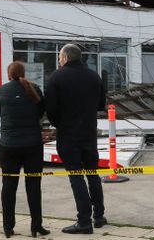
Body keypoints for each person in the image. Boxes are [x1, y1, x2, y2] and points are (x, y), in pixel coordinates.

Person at [45, 44, 107, 234]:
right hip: (89, 133)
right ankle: (98, 216)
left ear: (65, 58)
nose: (58, 60)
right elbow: (100, 105)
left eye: (59, 57)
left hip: (68, 134)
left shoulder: (57, 77)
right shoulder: (94, 76)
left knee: (75, 175)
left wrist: (59, 124)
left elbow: (51, 109)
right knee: (92, 173)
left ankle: (84, 221)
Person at [0, 61, 50, 238]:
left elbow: (0, 111)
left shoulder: (2, 90)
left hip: (9, 146)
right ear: (23, 73)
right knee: (34, 186)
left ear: (9, 74)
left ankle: (8, 227)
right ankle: (36, 226)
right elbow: (41, 111)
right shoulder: (34, 88)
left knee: (8, 186)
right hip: (32, 145)